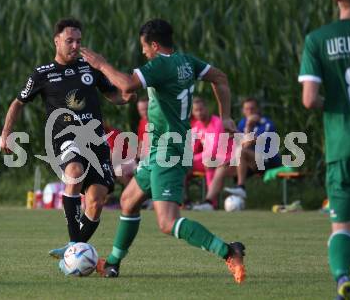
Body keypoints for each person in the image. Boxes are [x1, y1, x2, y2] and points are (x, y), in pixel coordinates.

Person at [80, 18, 246, 283]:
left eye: (145, 48)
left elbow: (126, 84)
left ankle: (229, 251)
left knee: (167, 223)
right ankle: (112, 263)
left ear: (154, 45)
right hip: (159, 150)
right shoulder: (186, 61)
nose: (143, 53)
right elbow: (220, 77)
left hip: (169, 151)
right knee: (128, 201)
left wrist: (100, 64)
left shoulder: (160, 64)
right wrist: (225, 116)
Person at [0, 18, 135, 272]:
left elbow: (112, 95)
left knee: (97, 200)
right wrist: (5, 133)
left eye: (79, 41)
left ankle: (73, 251)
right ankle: (75, 245)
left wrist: (126, 96)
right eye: (69, 41)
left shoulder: (89, 68)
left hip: (96, 142)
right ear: (57, 41)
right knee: (73, 173)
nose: (75, 45)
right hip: (65, 138)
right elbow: (18, 102)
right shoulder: (43, 73)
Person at [299, 0, 350, 299]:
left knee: (343, 226)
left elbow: (309, 99)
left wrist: (334, 103)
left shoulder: (318, 39)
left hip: (342, 145)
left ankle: (342, 278)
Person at [196, 98, 282, 211]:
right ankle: (209, 202)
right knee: (221, 168)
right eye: (247, 109)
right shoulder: (242, 123)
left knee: (241, 152)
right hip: (249, 163)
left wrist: (248, 126)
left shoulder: (266, 124)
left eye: (252, 108)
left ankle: (241, 187)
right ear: (243, 111)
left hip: (268, 161)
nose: (250, 111)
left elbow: (246, 144)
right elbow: (239, 143)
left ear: (258, 110)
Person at [188, 97, 231, 210]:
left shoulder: (217, 122)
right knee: (182, 165)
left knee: (208, 162)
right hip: (207, 159)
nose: (199, 113)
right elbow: (192, 147)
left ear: (207, 109)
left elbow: (214, 148)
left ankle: (211, 203)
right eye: (196, 110)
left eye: (201, 109)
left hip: (225, 158)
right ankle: (182, 201)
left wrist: (193, 158)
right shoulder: (196, 126)